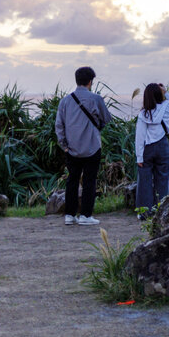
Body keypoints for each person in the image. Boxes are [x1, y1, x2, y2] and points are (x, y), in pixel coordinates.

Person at [54, 66, 112, 226]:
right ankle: (86, 215)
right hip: (92, 146)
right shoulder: (96, 99)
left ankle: (69, 215)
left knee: (72, 181)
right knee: (89, 181)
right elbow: (106, 119)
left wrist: (64, 145)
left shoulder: (65, 101)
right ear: (90, 81)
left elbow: (59, 125)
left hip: (71, 149)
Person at [134, 82, 169, 217]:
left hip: (147, 148)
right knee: (163, 179)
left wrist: (139, 157)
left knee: (144, 181)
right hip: (162, 146)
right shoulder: (166, 108)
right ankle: (162, 211)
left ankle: (144, 212)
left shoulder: (143, 114)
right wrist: (166, 92)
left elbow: (139, 136)